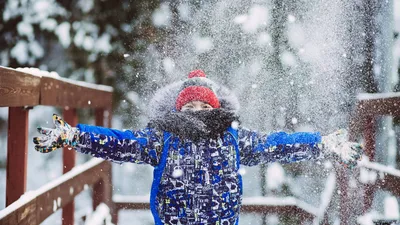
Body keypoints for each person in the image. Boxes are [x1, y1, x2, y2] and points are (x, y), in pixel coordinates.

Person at [33, 69, 363, 225]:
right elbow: (120, 144)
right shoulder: (162, 138)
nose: (197, 113)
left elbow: (277, 145)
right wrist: (77, 136)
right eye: (190, 108)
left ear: (216, 109)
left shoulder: (233, 139)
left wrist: (320, 144)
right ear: (178, 111)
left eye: (204, 108)